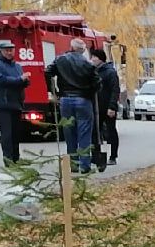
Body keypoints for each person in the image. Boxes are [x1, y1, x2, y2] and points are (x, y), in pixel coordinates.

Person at [44, 36, 99, 174]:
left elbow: (47, 72)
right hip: (83, 99)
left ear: (72, 47)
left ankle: (73, 164)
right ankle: (85, 165)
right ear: (82, 50)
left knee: (69, 132)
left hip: (65, 99)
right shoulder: (88, 64)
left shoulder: (61, 60)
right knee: (84, 132)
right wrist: (89, 93)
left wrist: (53, 91)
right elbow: (97, 82)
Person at [0, 40, 29, 166]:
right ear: (2, 51)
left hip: (17, 102)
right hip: (4, 103)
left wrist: (25, 80)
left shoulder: (17, 66)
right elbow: (1, 80)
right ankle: (8, 159)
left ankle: (16, 158)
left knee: (16, 134)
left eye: (11, 50)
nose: (10, 53)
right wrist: (19, 79)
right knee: (7, 134)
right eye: (7, 50)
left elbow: (23, 82)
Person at [91, 46, 121, 172]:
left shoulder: (110, 72)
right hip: (95, 107)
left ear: (100, 59)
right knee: (95, 132)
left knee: (111, 131)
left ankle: (113, 156)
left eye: (94, 57)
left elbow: (115, 90)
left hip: (107, 107)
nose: (91, 59)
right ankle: (96, 155)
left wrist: (112, 106)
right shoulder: (93, 71)